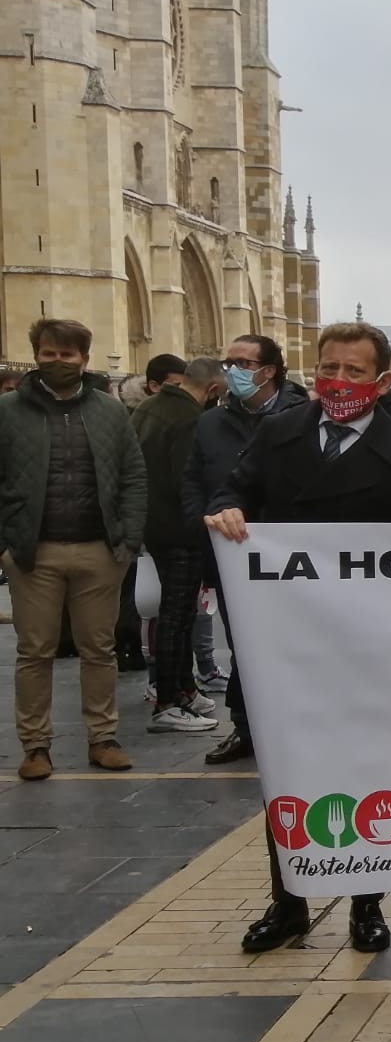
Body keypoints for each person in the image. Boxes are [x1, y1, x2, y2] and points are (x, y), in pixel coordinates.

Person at [205, 321, 391, 954]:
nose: (338, 382)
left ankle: (367, 901)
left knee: (364, 767)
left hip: (365, 642)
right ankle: (288, 902)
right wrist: (229, 510)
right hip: (286, 635)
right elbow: (235, 489)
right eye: (328, 368)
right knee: (287, 769)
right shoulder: (278, 433)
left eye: (354, 372)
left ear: (383, 381)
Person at [0, 320, 148, 781]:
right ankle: (35, 747)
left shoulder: (109, 410)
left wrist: (127, 540)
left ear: (84, 358)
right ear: (36, 355)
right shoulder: (7, 410)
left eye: (67, 355)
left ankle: (103, 739)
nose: (57, 362)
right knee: (34, 651)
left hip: (99, 551)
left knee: (99, 649)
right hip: (32, 551)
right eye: (48, 353)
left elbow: (133, 477)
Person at [185, 333, 305, 766]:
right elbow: (195, 483)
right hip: (233, 555)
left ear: (268, 371)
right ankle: (246, 727)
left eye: (243, 363)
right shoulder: (210, 423)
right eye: (229, 361)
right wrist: (205, 526)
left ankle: (297, 727)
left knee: (295, 643)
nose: (233, 370)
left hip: (292, 560)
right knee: (243, 645)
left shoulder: (305, 419)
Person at [131, 354, 226, 735]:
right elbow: (186, 481)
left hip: (153, 527)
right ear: (213, 389)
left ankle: (183, 690)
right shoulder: (190, 419)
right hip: (179, 531)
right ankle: (169, 699)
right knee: (177, 616)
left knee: (173, 615)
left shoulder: (148, 407)